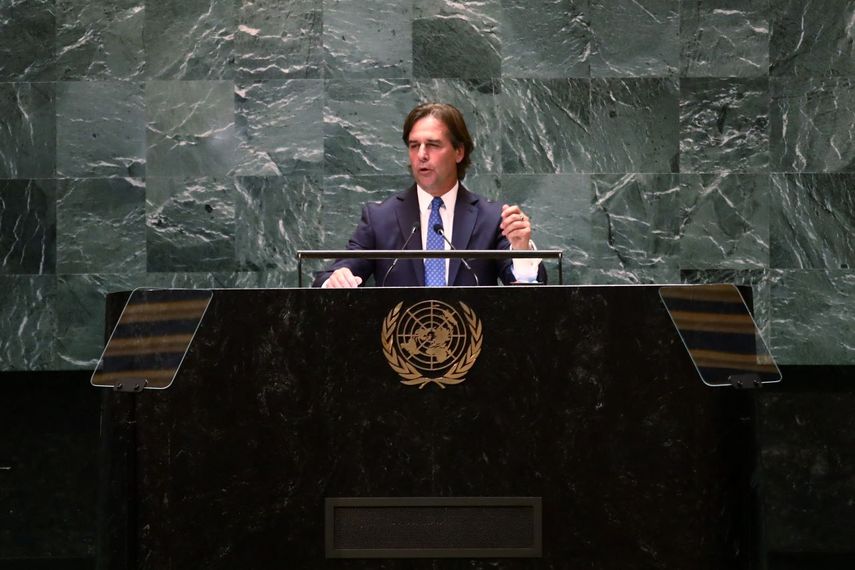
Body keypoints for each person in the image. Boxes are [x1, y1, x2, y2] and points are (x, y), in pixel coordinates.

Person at [313, 102, 545, 287]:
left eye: (433, 145)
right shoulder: (380, 217)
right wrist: (337, 279)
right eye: (414, 146)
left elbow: (528, 288)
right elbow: (333, 275)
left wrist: (521, 249)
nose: (421, 155)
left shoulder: (492, 218)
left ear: (459, 152)